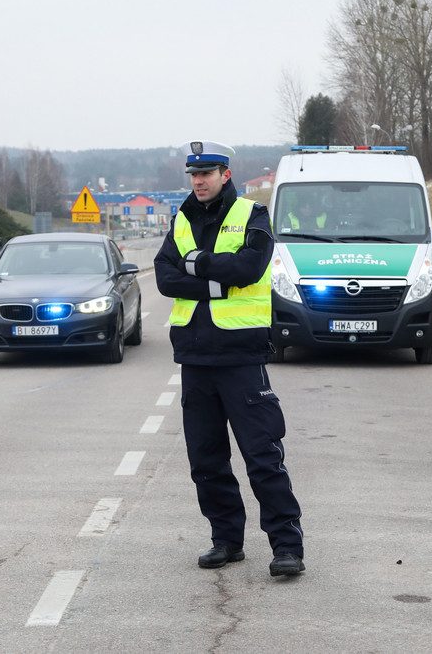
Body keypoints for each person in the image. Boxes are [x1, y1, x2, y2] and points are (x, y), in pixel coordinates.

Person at [154, 140, 305, 577]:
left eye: (207, 173)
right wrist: (216, 278)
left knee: (262, 455)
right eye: (193, 175)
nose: (199, 181)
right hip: (196, 358)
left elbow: (249, 269)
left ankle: (287, 547)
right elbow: (166, 278)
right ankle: (226, 540)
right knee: (205, 459)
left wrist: (195, 267)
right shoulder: (181, 220)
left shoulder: (252, 216)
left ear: (225, 175)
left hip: (241, 356)